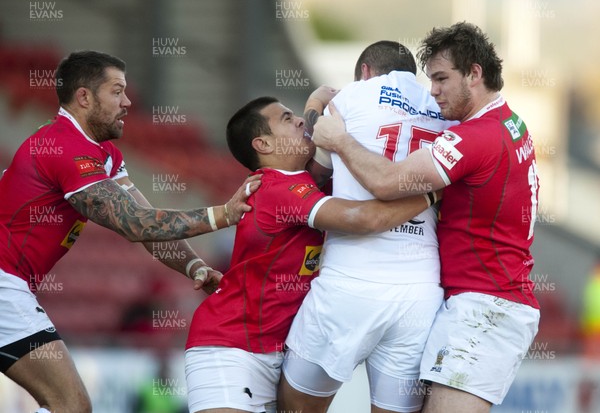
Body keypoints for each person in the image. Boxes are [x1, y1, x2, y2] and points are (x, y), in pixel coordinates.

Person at [0, 50, 260, 413]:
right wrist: (223, 214)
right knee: (70, 405)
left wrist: (195, 268)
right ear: (84, 97)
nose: (128, 101)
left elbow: (143, 222)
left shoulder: (103, 153)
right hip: (4, 283)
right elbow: (133, 223)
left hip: (12, 284)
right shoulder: (64, 147)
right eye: (117, 91)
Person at [312, 22, 541, 413]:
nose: (432, 90)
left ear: (474, 73)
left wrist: (338, 139)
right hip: (483, 301)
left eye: (441, 79)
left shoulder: (475, 138)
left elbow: (387, 182)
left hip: (485, 308)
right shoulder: (508, 120)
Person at [184, 96, 441, 413]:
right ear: (263, 144)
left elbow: (319, 140)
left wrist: (318, 102)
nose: (300, 122)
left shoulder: (304, 181)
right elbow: (364, 219)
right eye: (287, 119)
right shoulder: (273, 189)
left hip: (282, 350)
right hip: (231, 346)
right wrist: (435, 190)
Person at [278, 41, 457, 413]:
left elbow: (316, 165)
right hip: (420, 290)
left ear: (364, 72)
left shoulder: (352, 96)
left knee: (296, 407)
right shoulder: (445, 113)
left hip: (351, 280)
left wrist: (314, 102)